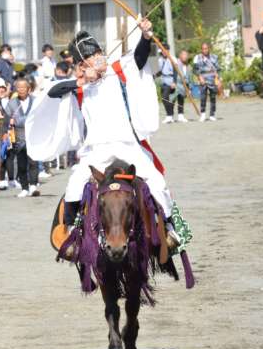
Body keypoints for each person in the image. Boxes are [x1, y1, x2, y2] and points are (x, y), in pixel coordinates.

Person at [27, 20, 180, 245]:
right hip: (96, 149)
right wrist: (80, 82)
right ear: (81, 65)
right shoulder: (78, 85)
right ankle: (70, 232)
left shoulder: (118, 71)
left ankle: (168, 228)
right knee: (74, 185)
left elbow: (139, 57)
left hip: (127, 144)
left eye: (99, 53)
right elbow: (52, 92)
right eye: (92, 57)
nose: (99, 58)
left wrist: (146, 37)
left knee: (157, 181)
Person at [8, 78, 40, 198]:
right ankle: (24, 188)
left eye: (23, 87)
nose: (21, 89)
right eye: (19, 87)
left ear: (29, 89)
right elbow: (7, 117)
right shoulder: (12, 103)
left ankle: (33, 185)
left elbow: (40, 115)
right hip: (19, 136)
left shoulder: (36, 101)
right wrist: (10, 122)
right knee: (21, 163)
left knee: (33, 162)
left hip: (33, 135)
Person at [193, 42, 221, 122]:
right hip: (202, 79)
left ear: (209, 49)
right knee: (203, 97)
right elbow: (194, 69)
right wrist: (199, 77)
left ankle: (212, 114)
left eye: (206, 48)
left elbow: (218, 69)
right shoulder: (197, 57)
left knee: (213, 97)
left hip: (212, 79)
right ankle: (203, 114)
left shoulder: (214, 57)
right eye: (203, 49)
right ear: (201, 49)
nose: (205, 50)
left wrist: (218, 79)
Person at [158, 44, 178, 124]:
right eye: (162, 50)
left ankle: (169, 116)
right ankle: (171, 116)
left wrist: (174, 82)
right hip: (163, 80)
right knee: (169, 99)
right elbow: (159, 71)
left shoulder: (173, 59)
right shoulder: (160, 59)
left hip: (170, 80)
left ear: (168, 50)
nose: (164, 52)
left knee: (165, 98)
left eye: (165, 50)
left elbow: (176, 71)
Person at [174, 50, 190, 123]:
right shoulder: (176, 62)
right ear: (180, 55)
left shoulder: (187, 65)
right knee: (171, 100)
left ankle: (180, 116)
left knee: (181, 100)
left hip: (183, 85)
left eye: (186, 55)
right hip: (175, 84)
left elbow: (188, 77)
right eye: (183, 55)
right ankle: (169, 116)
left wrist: (188, 88)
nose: (185, 56)